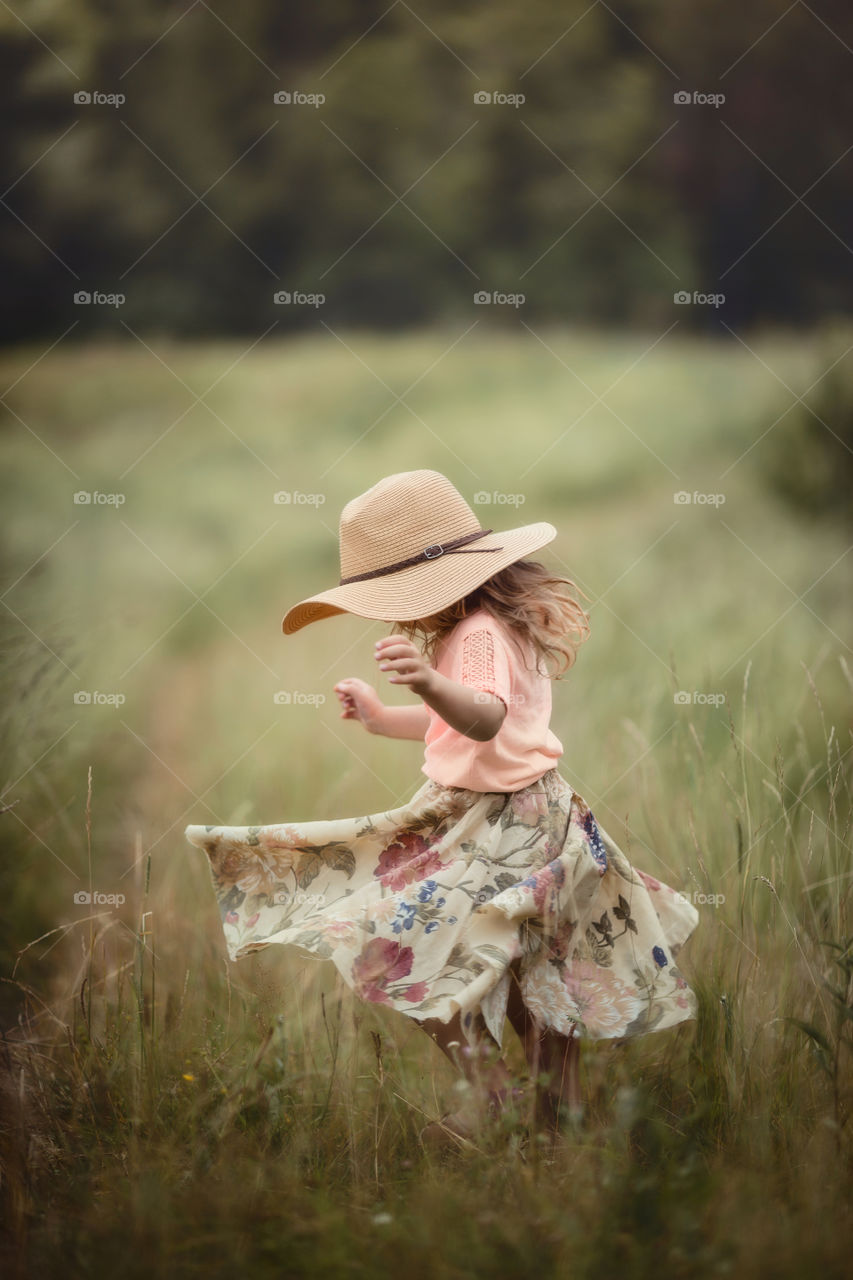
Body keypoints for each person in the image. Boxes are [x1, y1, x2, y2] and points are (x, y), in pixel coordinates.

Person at [185, 470, 700, 1143]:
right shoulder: (489, 627)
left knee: (392, 949)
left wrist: (428, 680)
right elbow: (460, 726)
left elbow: (483, 719)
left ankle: (494, 1097)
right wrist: (380, 715)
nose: (396, 617)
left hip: (499, 824)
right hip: (523, 814)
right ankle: (549, 1124)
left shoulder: (479, 635)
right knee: (528, 981)